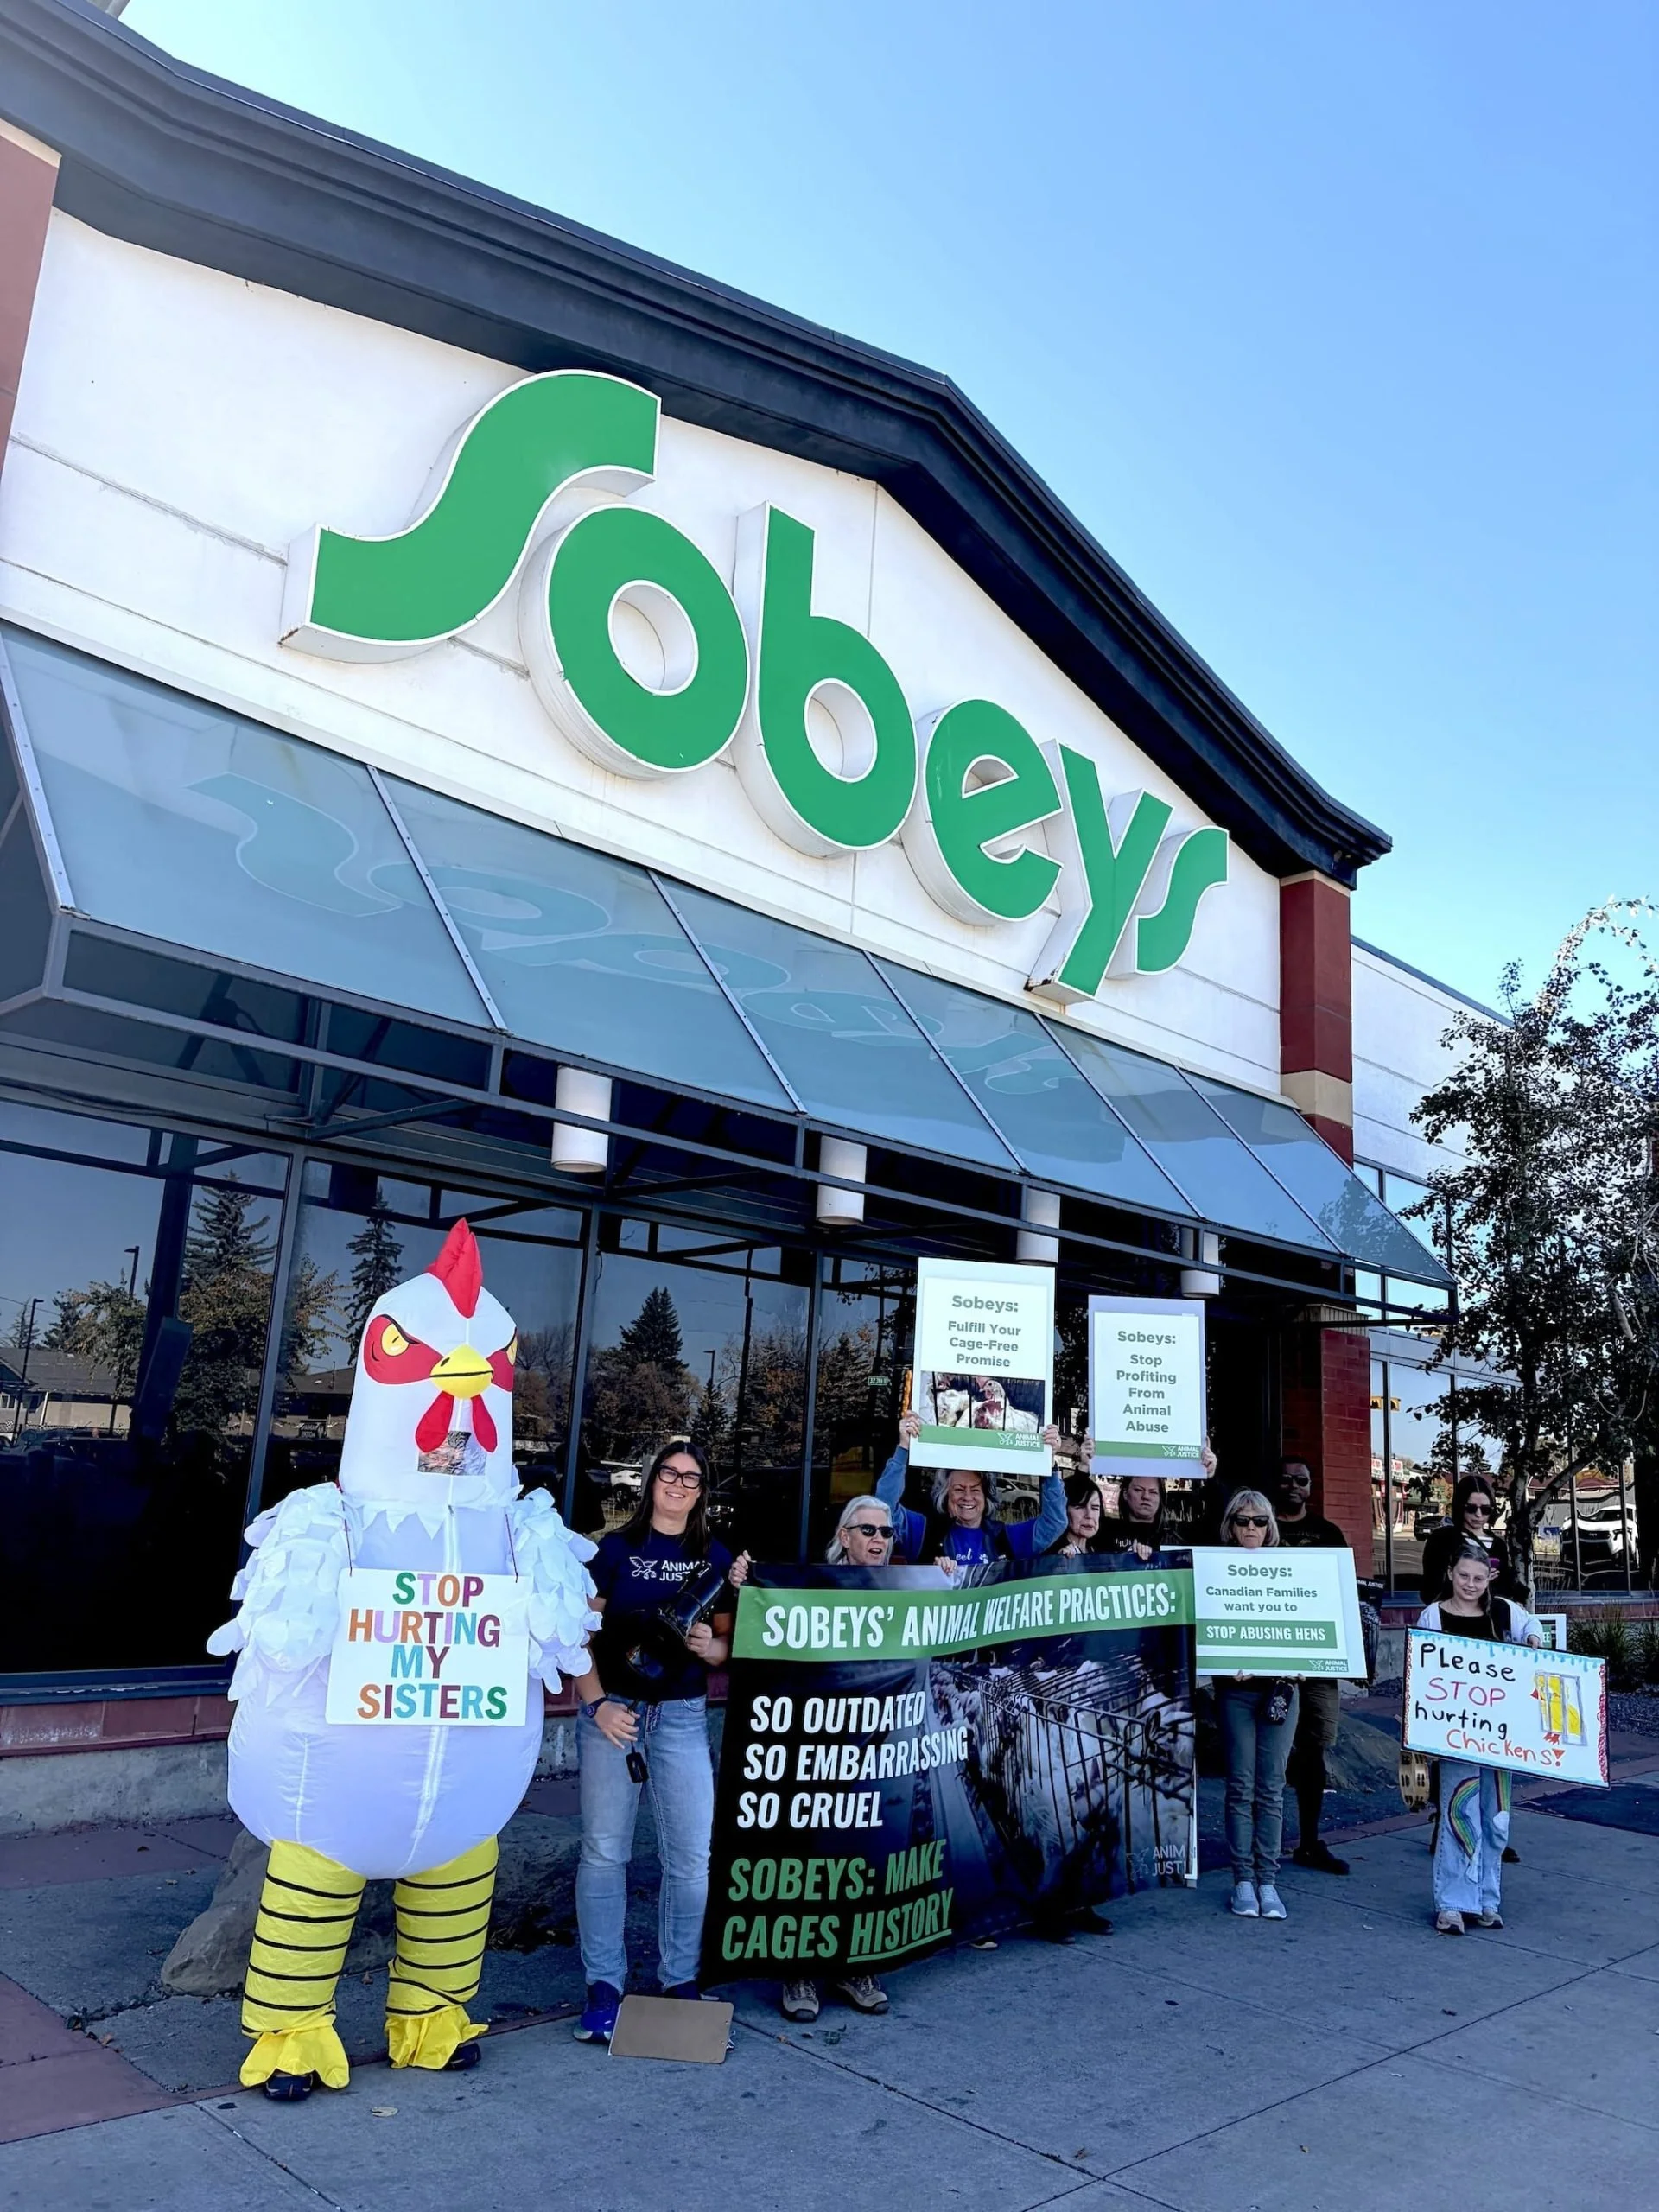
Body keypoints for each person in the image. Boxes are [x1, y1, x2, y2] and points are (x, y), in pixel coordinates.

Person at [572, 1442, 734, 2046]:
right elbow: (578, 1637)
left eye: (691, 1478)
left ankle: (679, 1984)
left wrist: (708, 1650)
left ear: (701, 1490)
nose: (678, 1484)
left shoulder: (713, 1557)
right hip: (615, 1716)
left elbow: (725, 1645)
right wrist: (596, 1703)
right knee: (605, 1853)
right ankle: (604, 1989)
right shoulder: (614, 1550)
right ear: (650, 1482)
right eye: (669, 1473)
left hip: (683, 1718)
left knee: (691, 1858)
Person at [772, 1496, 913, 2024]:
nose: (879, 1540)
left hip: (878, 1749)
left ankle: (857, 1966)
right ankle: (800, 1970)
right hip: (818, 1749)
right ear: (845, 1535)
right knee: (811, 1858)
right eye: (868, 1530)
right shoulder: (812, 1586)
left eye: (887, 1533)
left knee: (867, 1856)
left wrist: (950, 1577)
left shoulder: (907, 1589)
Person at [1416, 1539, 1544, 1933]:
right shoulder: (1433, 1617)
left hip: (1501, 1739)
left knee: (1496, 1821)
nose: (1470, 1585)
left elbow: (1533, 1626)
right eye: (1462, 1576)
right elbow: (1422, 1673)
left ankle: (1488, 1899)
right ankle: (1453, 1903)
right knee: (1460, 1816)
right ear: (1450, 1575)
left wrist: (1533, 1643)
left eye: (1478, 1577)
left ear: (1489, 1577)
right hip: (1457, 1737)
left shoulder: (1504, 1612)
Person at [1215, 1489, 1298, 1920]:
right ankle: (1242, 1880)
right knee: (1241, 1786)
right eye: (1243, 1520)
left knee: (1272, 1788)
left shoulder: (1292, 1569)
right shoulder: (1215, 1569)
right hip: (1236, 1691)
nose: (1251, 1527)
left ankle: (1268, 1881)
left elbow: (1307, 1620)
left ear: (1271, 1527)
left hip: (1281, 1689)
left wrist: (1306, 1662)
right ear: (1230, 1525)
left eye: (1260, 1521)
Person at [1274, 1459, 1352, 1878]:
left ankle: (1308, 1840)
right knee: (1268, 1752)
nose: (1291, 1486)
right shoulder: (1260, 1529)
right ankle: (1264, 1842)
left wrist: (1359, 1656)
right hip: (1269, 1661)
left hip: (1317, 1661)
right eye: (1284, 1479)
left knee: (1314, 1748)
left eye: (1300, 1481)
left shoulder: (1328, 1534)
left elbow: (1347, 1595)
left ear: (1310, 1487)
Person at [877, 1412, 1067, 1567]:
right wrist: (904, 1448)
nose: (968, 1497)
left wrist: (1049, 1464)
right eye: (959, 1489)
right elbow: (884, 1508)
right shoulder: (924, 1531)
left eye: (976, 1490)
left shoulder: (1004, 1537)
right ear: (945, 1494)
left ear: (986, 1497)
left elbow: (1055, 1522)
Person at [1417, 1476, 1526, 1606]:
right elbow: (1430, 1589)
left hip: (1491, 1618)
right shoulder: (1442, 1539)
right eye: (1471, 1508)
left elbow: (1506, 1589)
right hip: (1453, 1618)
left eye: (1486, 1509)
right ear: (1460, 1506)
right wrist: (1474, 1581)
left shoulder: (1498, 1545)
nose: (1478, 1515)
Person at [1046, 1472, 1107, 1556]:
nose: (1089, 1515)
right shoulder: (1053, 1553)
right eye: (1080, 1507)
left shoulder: (1101, 1551)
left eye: (1095, 1508)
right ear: (1064, 1509)